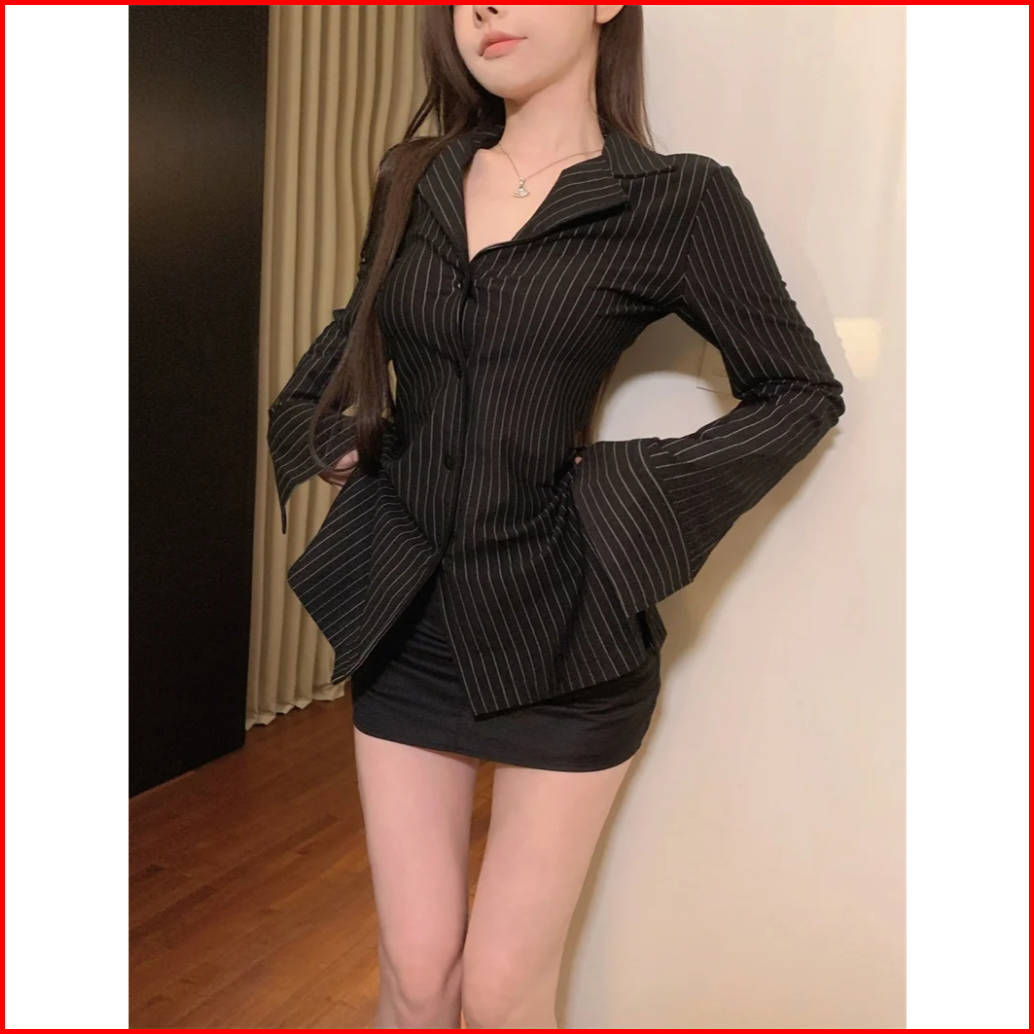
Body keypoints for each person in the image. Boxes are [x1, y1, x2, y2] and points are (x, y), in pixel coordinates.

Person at [266, 6, 845, 1028]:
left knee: (501, 988)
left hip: (566, 629)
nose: (482, 9)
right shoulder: (413, 177)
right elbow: (353, 334)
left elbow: (799, 390)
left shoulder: (677, 198)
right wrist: (335, 429)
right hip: (406, 625)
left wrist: (625, 494)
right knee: (415, 971)